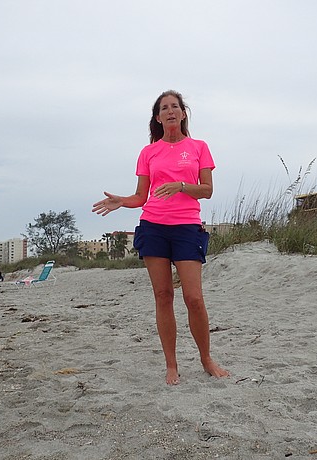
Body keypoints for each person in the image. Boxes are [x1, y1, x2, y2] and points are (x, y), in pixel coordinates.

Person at [92, 90, 229, 385]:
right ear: (157, 117)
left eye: (175, 106)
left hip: (187, 227)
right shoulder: (148, 152)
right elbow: (141, 196)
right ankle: (171, 364)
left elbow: (207, 190)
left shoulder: (198, 147)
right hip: (153, 226)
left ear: (183, 113)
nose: (170, 111)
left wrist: (181, 186)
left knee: (194, 298)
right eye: (164, 108)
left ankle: (206, 358)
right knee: (163, 296)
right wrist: (121, 201)